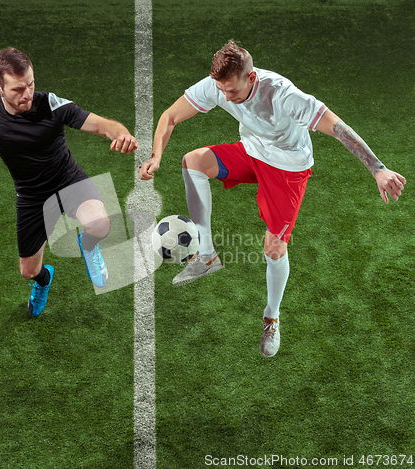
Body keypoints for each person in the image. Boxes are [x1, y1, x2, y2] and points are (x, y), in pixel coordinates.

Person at [139, 40, 405, 357]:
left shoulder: (283, 95)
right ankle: (206, 256)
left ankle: (271, 316)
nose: (225, 98)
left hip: (288, 169)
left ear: (251, 79)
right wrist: (156, 156)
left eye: (232, 92)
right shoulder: (219, 85)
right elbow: (170, 116)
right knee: (193, 161)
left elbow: (338, 128)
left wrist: (378, 169)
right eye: (221, 91)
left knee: (274, 248)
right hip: (253, 152)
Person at [0, 47, 138, 317]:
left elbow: (104, 126)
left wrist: (122, 134)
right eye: (18, 89)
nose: (28, 94)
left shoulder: (50, 104)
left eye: (31, 84)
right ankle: (44, 280)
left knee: (100, 224)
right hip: (32, 198)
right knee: (28, 271)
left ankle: (88, 245)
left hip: (69, 182)